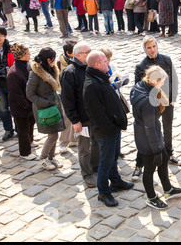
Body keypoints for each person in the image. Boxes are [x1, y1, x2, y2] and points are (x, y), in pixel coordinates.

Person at [130, 65, 181, 209]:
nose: (163, 84)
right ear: (155, 80)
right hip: (148, 137)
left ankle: (167, 189)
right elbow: (149, 127)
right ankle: (151, 197)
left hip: (146, 132)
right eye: (161, 82)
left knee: (164, 158)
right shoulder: (149, 100)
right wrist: (156, 149)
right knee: (149, 168)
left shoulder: (139, 86)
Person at [83, 51, 134, 207]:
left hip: (113, 127)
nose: (108, 63)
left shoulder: (101, 77)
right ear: (97, 64)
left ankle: (116, 181)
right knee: (105, 161)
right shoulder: (92, 85)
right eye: (105, 61)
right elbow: (98, 114)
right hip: (106, 131)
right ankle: (103, 192)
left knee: (113, 158)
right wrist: (111, 128)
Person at [61, 41, 100, 188]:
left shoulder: (89, 67)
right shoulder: (70, 72)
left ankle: (96, 169)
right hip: (82, 119)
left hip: (94, 115)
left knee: (96, 144)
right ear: (78, 55)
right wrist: (75, 120)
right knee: (84, 148)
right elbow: (68, 99)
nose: (91, 53)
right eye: (87, 52)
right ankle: (87, 174)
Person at [26, 48, 66, 171]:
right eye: (54, 59)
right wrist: (47, 103)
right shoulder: (35, 74)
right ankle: (43, 158)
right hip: (45, 109)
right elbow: (30, 94)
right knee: (53, 135)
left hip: (54, 106)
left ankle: (51, 157)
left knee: (55, 133)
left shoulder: (50, 70)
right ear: (49, 60)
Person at [6, 44, 36, 160]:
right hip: (21, 107)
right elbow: (16, 94)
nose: (29, 55)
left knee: (30, 126)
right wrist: (26, 105)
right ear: (22, 56)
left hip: (28, 105)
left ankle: (29, 143)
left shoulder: (25, 67)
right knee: (23, 130)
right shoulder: (13, 73)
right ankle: (25, 153)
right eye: (27, 54)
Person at [57, 40, 77, 154]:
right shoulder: (59, 63)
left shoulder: (78, 61)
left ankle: (74, 139)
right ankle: (63, 142)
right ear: (68, 53)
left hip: (76, 92)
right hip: (64, 93)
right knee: (66, 118)